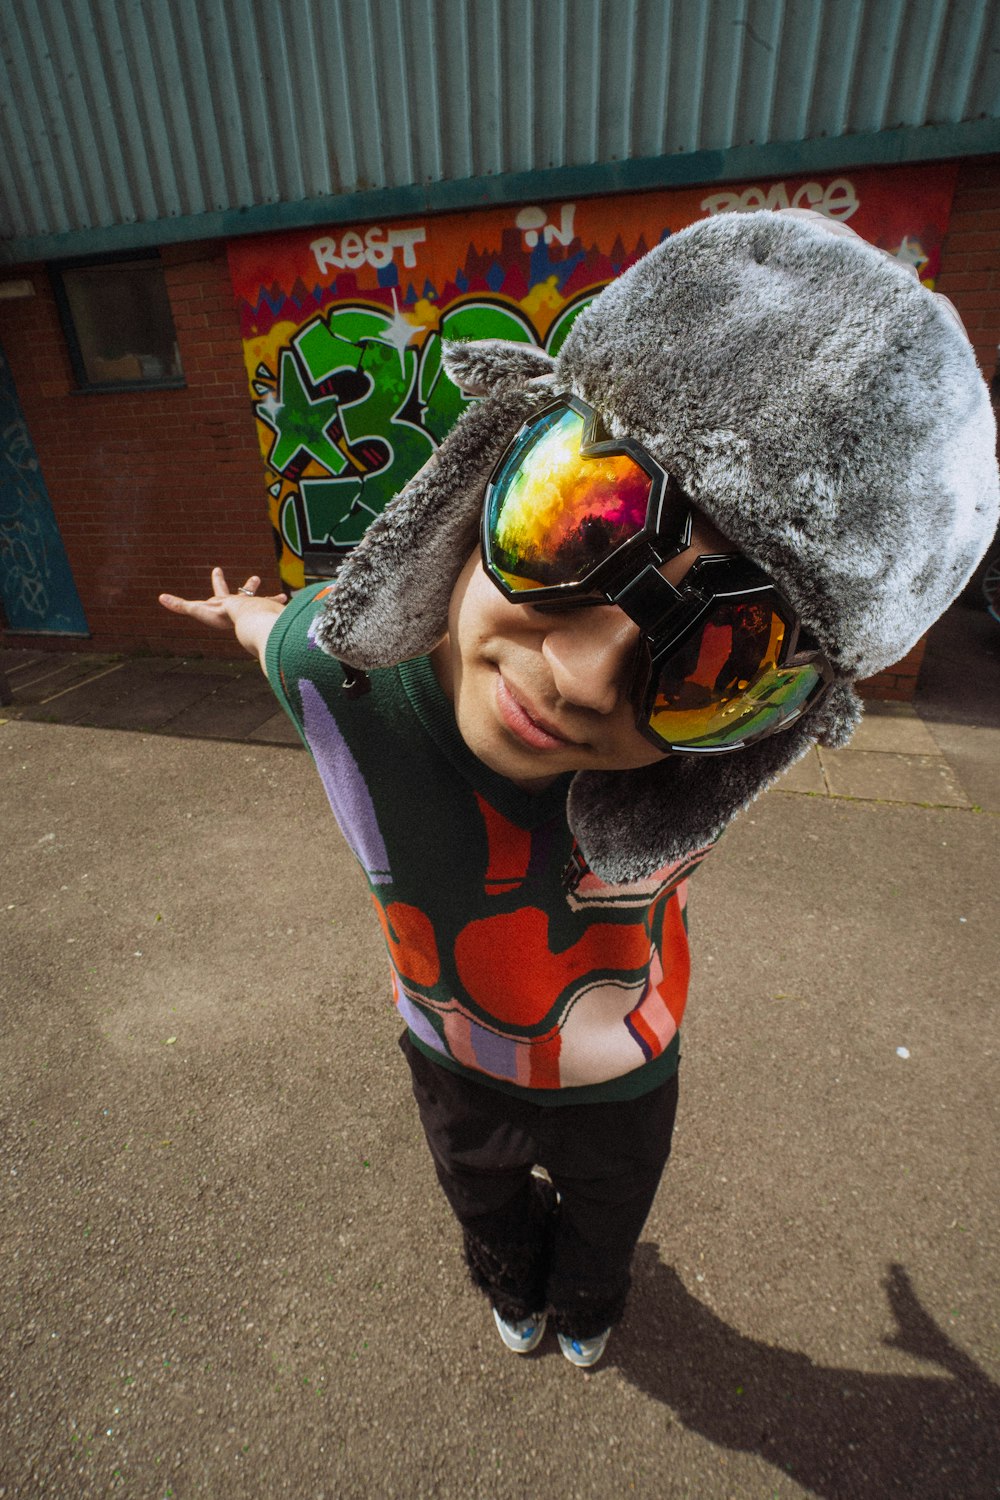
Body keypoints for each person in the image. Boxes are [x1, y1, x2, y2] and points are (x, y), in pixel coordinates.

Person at [160, 209, 998, 1368]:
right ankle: (515, 1277)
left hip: (625, 1078)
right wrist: (237, 614)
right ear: (491, 461)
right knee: (484, 1202)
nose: (583, 676)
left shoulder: (696, 770)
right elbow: (280, 629)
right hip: (451, 1055)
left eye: (719, 664)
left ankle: (591, 1302)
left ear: (768, 732)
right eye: (577, 529)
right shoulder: (334, 672)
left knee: (608, 1221)